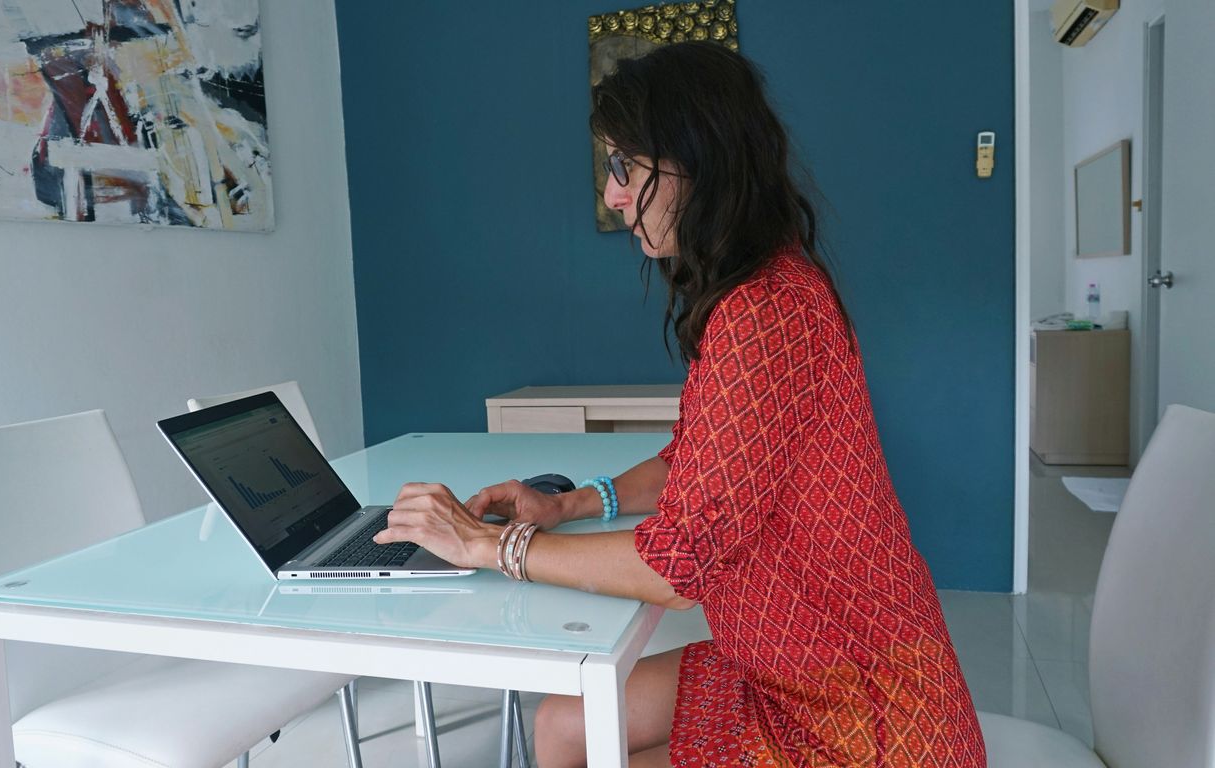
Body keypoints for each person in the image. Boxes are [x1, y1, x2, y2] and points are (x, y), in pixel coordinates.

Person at [374, 41, 987, 768]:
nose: (614, 195)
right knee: (563, 724)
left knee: (581, 738)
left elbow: (675, 567)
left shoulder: (765, 311)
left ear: (701, 162)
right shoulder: (759, 291)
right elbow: (693, 462)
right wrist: (567, 506)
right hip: (789, 662)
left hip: (862, 712)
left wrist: (488, 547)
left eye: (626, 167)